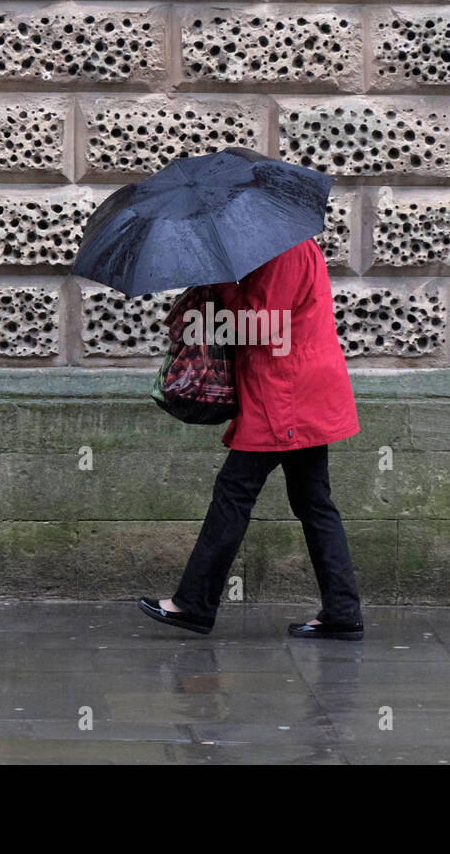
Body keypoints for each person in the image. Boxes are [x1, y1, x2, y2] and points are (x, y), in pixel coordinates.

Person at [137, 237, 365, 640]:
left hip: (286, 393)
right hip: (291, 388)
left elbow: (263, 325)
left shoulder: (285, 251)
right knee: (314, 502)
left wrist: (223, 285)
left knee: (234, 493)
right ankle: (343, 611)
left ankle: (193, 603)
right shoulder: (282, 247)